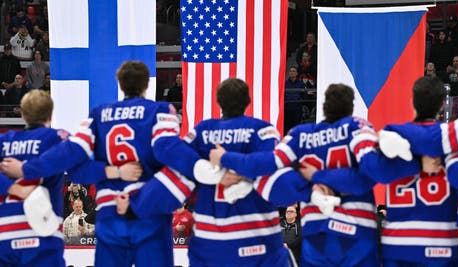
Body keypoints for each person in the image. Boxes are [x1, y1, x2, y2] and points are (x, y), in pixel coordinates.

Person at [1, 61, 212, 267]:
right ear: (147, 85)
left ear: (120, 84)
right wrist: (203, 167)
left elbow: (74, 158)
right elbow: (169, 151)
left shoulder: (99, 114)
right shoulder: (160, 110)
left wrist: (110, 171)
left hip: (109, 213)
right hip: (150, 212)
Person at [209, 84, 419, 266]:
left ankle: (256, 183)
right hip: (356, 232)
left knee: (270, 177)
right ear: (351, 108)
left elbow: (269, 163)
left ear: (324, 106)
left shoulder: (301, 134)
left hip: (316, 232)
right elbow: (370, 173)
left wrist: (228, 159)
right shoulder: (357, 127)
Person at [117, 78, 306, 267]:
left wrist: (136, 206)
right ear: (248, 101)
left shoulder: (202, 133)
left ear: (219, 102)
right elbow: (280, 183)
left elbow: (174, 178)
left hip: (210, 247)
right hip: (258, 244)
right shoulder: (262, 130)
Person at [359, 77, 458, 266]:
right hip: (444, 242)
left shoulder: (394, 132)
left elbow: (374, 170)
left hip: (400, 243)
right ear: (442, 105)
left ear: (412, 100)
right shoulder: (453, 136)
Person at [0, 89, 67, 266]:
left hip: (5, 232)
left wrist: (12, 187)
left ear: (22, 114)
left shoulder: (4, 140)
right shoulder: (56, 138)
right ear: (51, 114)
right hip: (43, 231)